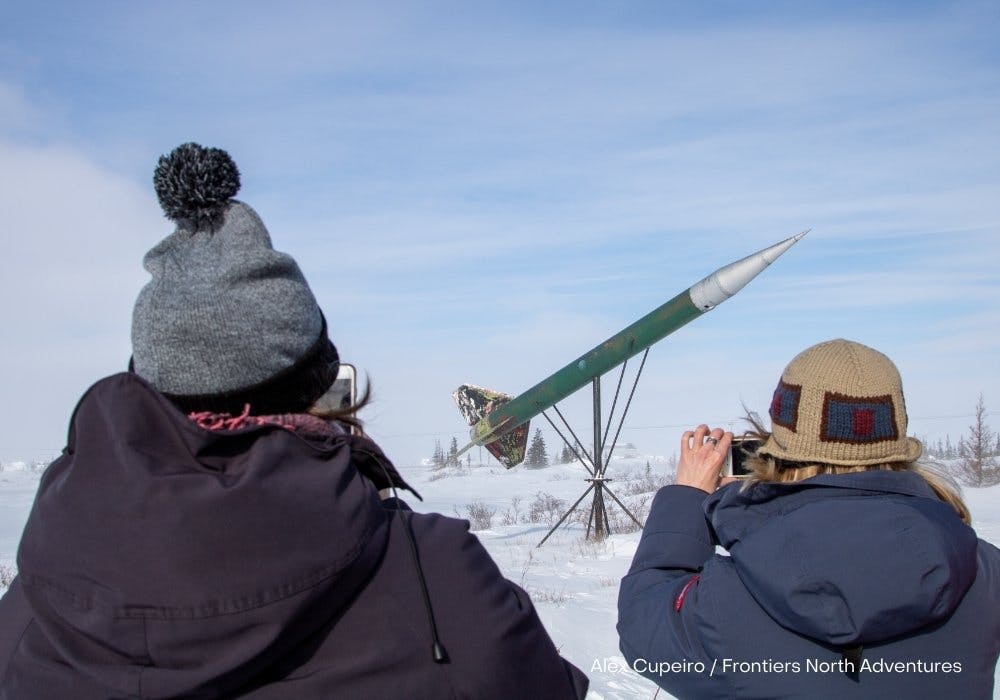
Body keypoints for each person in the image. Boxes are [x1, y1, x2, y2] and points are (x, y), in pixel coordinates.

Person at [0, 143, 588, 699]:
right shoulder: (436, 572)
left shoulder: (35, 598)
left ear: (146, 390)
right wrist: (377, 512)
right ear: (319, 385)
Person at [617, 339, 999, 699]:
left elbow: (642, 622)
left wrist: (688, 499)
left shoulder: (730, 595)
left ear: (776, 448)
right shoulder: (982, 573)